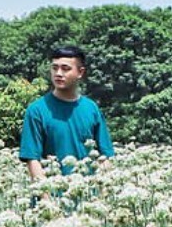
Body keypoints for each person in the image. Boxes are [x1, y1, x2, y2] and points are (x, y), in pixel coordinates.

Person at [19, 45, 115, 180]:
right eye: (54, 68)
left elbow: (105, 156)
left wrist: (104, 194)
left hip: (88, 195)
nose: (58, 73)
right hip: (51, 195)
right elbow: (32, 159)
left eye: (65, 69)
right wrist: (47, 198)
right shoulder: (36, 110)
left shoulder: (91, 109)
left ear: (80, 72)